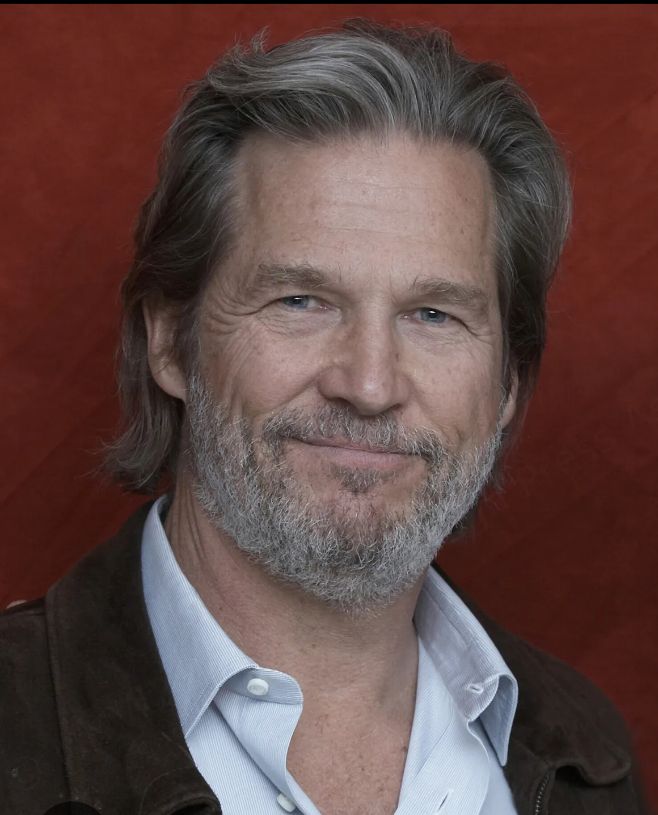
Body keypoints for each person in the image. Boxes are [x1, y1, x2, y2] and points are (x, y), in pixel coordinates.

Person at [0, 17, 649, 815]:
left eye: (434, 314)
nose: (369, 384)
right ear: (170, 342)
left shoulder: (586, 757)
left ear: (507, 382)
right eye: (301, 301)